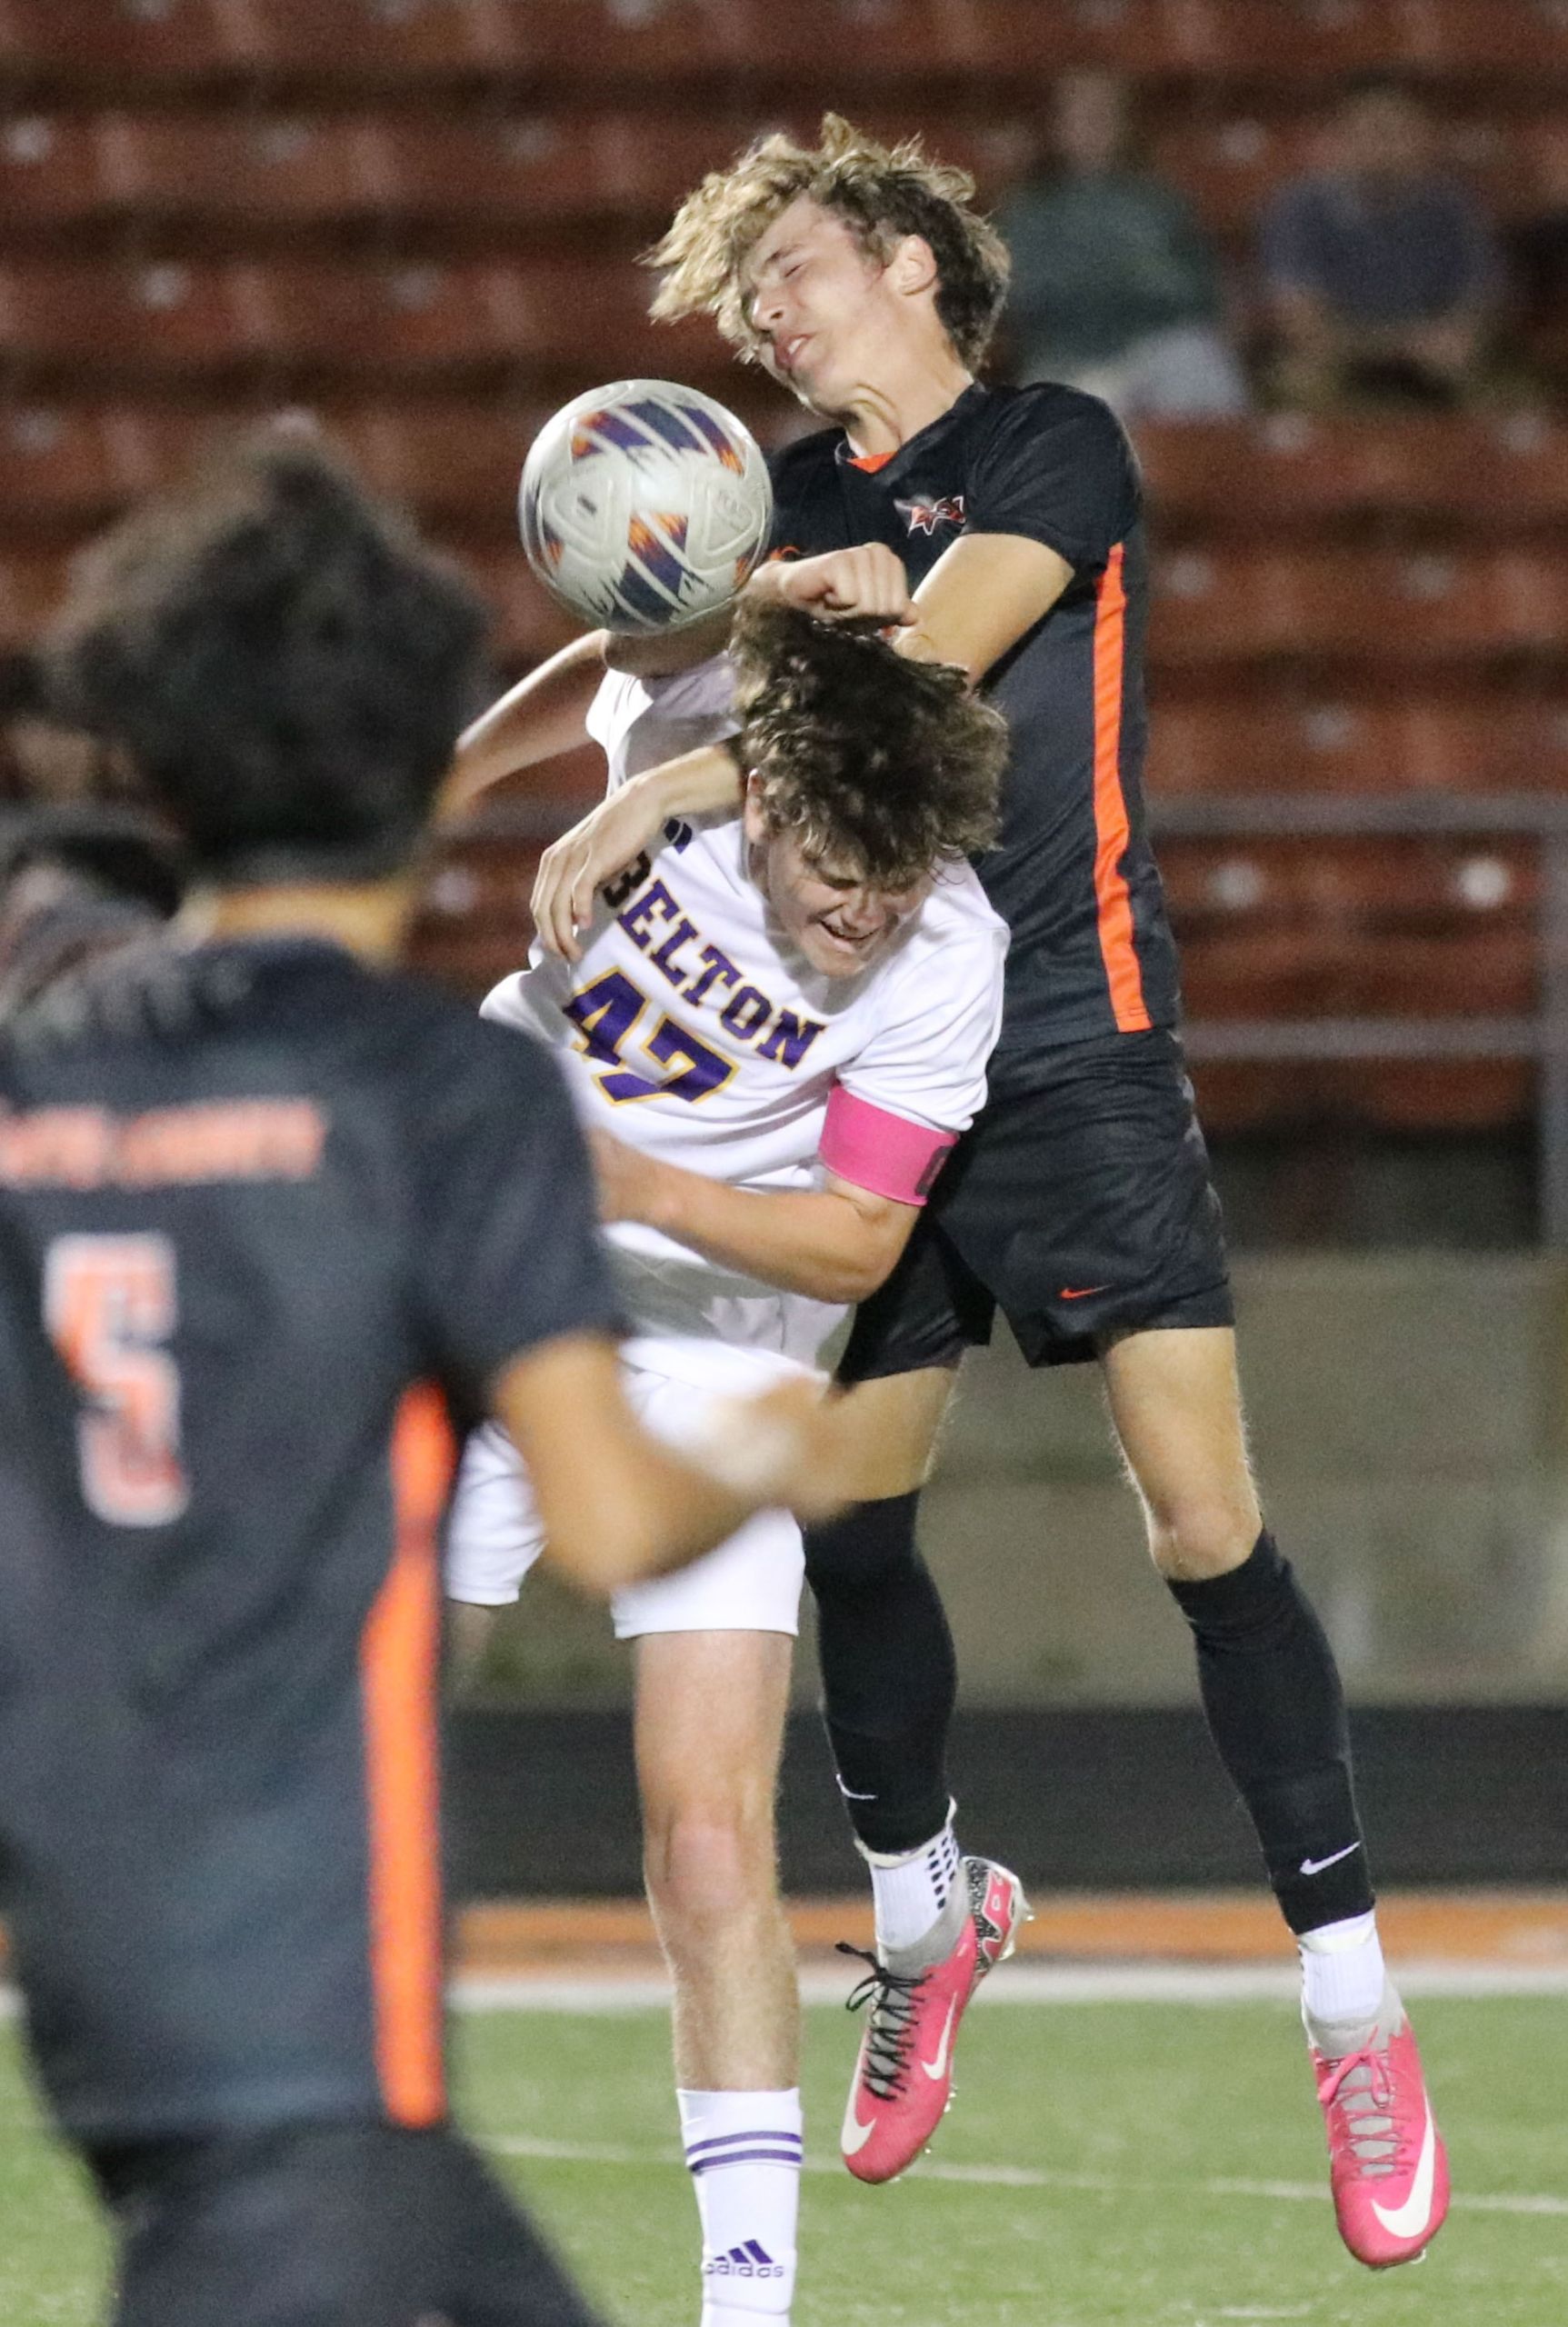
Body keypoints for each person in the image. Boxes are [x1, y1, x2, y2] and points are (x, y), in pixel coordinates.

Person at [506, 114, 1450, 2271]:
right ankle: (928, 1917)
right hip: (848, 1053)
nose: (764, 307)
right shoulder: (771, 499)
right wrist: (470, 762)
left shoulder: (1050, 442)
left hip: (1064, 1035)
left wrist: (663, 790)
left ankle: (1350, 2006)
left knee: (1200, 1521)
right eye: (744, 289)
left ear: (913, 261)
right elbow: (627, 663)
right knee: (847, 1520)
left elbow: (934, 661)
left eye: (793, 264)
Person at [0, 435, 862, 2327]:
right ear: (424, 776)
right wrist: (777, 1452)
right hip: (300, 1944)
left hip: (81, 1888)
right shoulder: (442, 1094)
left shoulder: (53, 1055)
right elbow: (610, 1512)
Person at [445, 594, 1014, 2327]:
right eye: (840, 872)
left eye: (898, 882)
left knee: (708, 1841)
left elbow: (854, 1243)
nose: (868, 914)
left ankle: (747, 2309)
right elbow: (640, 647)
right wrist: (462, 781)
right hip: (478, 1281)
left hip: (713, 1339)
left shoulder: (949, 949)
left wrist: (638, 1186)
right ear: (763, 799)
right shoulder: (695, 754)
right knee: (350, 1774)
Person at [994, 67, 1248, 419]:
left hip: (1157, 352)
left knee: (1199, 362)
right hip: (1071, 362)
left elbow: (1196, 292)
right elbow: (1030, 297)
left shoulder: (1159, 203)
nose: (1094, 125)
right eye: (1081, 114)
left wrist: (1116, 282)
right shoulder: (1029, 211)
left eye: (1104, 113)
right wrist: (1130, 281)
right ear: (1056, 127)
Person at [1260, 75, 1502, 409]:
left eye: (1399, 133)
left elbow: (1478, 302)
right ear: (1341, 139)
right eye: (1372, 132)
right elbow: (1303, 325)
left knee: (1495, 392)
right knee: (1301, 379)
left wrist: (1456, 337)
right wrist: (1402, 345)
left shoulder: (1451, 207)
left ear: (1423, 139)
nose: (1384, 147)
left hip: (1433, 357)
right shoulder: (1300, 207)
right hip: (1341, 353)